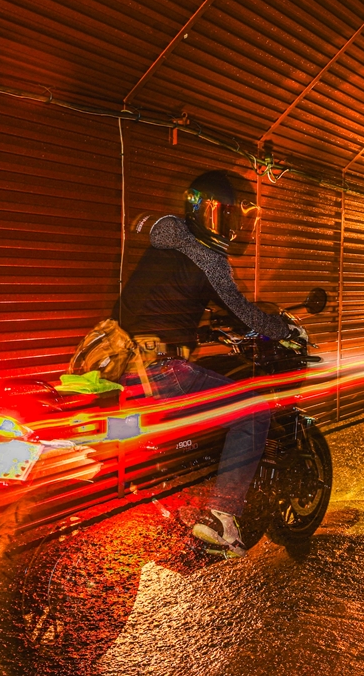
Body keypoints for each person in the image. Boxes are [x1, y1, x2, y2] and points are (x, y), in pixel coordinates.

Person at [115, 169, 293, 559]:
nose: (229, 227)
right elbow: (243, 311)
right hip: (160, 369)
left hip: (118, 365)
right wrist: (280, 329)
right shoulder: (206, 258)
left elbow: (163, 301)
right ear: (201, 212)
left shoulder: (166, 244)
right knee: (252, 410)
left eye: (233, 218)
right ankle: (221, 516)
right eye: (223, 216)